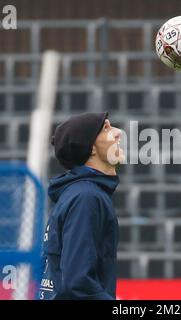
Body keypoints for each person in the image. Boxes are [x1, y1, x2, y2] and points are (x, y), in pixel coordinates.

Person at [39, 112, 124, 300]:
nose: (118, 132)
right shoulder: (87, 197)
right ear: (91, 148)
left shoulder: (78, 193)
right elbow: (78, 282)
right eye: (106, 128)